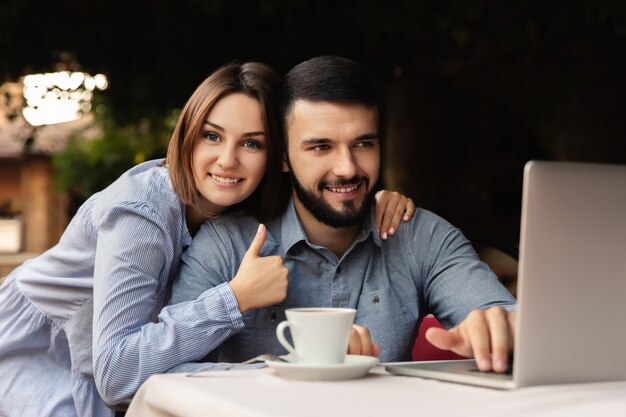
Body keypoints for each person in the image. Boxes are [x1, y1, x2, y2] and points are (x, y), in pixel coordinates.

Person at [0, 61, 415, 417]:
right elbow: (117, 372)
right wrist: (234, 298)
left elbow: (327, 183)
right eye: (211, 136)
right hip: (34, 353)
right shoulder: (141, 213)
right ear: (188, 134)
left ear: (279, 158)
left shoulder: (238, 209)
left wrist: (369, 202)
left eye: (251, 143)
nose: (227, 160)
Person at [171, 56, 518, 374]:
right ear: (284, 158)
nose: (347, 168)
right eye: (321, 147)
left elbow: (507, 318)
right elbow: (165, 372)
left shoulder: (417, 236)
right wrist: (292, 370)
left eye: (363, 144)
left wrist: (499, 326)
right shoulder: (228, 243)